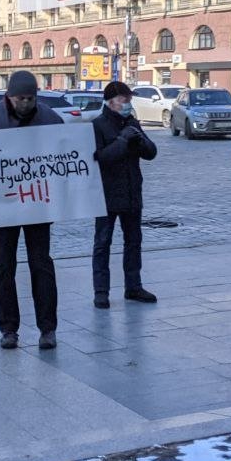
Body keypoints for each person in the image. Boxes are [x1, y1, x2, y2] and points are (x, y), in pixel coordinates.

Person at [0, 70, 64, 350]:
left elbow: (66, 154)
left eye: (31, 99)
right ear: (9, 96)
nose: (26, 104)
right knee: (4, 267)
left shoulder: (50, 118)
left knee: (41, 265)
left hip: (38, 204)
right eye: (21, 98)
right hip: (1, 205)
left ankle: (48, 329)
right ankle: (8, 329)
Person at [91, 81, 158, 309]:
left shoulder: (133, 122)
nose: (128, 103)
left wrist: (139, 139)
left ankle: (134, 286)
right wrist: (122, 140)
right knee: (103, 243)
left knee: (134, 242)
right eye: (123, 99)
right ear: (110, 102)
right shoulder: (98, 125)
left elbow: (151, 153)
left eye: (129, 99)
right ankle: (101, 291)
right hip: (106, 194)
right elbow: (101, 157)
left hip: (131, 192)